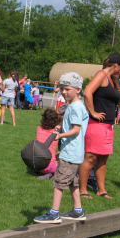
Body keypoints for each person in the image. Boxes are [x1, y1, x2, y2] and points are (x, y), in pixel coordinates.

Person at [79, 53, 120, 200]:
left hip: (107, 127)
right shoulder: (102, 74)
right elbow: (87, 92)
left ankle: (101, 189)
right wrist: (92, 112)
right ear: (116, 65)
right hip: (97, 125)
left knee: (103, 159)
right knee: (90, 157)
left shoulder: (113, 80)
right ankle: (83, 189)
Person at [34, 72, 89, 223]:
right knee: (72, 182)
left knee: (59, 181)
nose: (64, 92)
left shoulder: (76, 107)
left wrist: (60, 136)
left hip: (71, 153)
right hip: (72, 151)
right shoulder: (74, 105)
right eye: (62, 89)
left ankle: (54, 213)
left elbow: (76, 130)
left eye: (67, 89)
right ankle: (78, 211)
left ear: (78, 90)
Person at [36, 108, 62, 180]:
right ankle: (50, 174)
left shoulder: (39, 128)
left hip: (35, 163)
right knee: (64, 168)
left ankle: (37, 171)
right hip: (48, 165)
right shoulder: (56, 132)